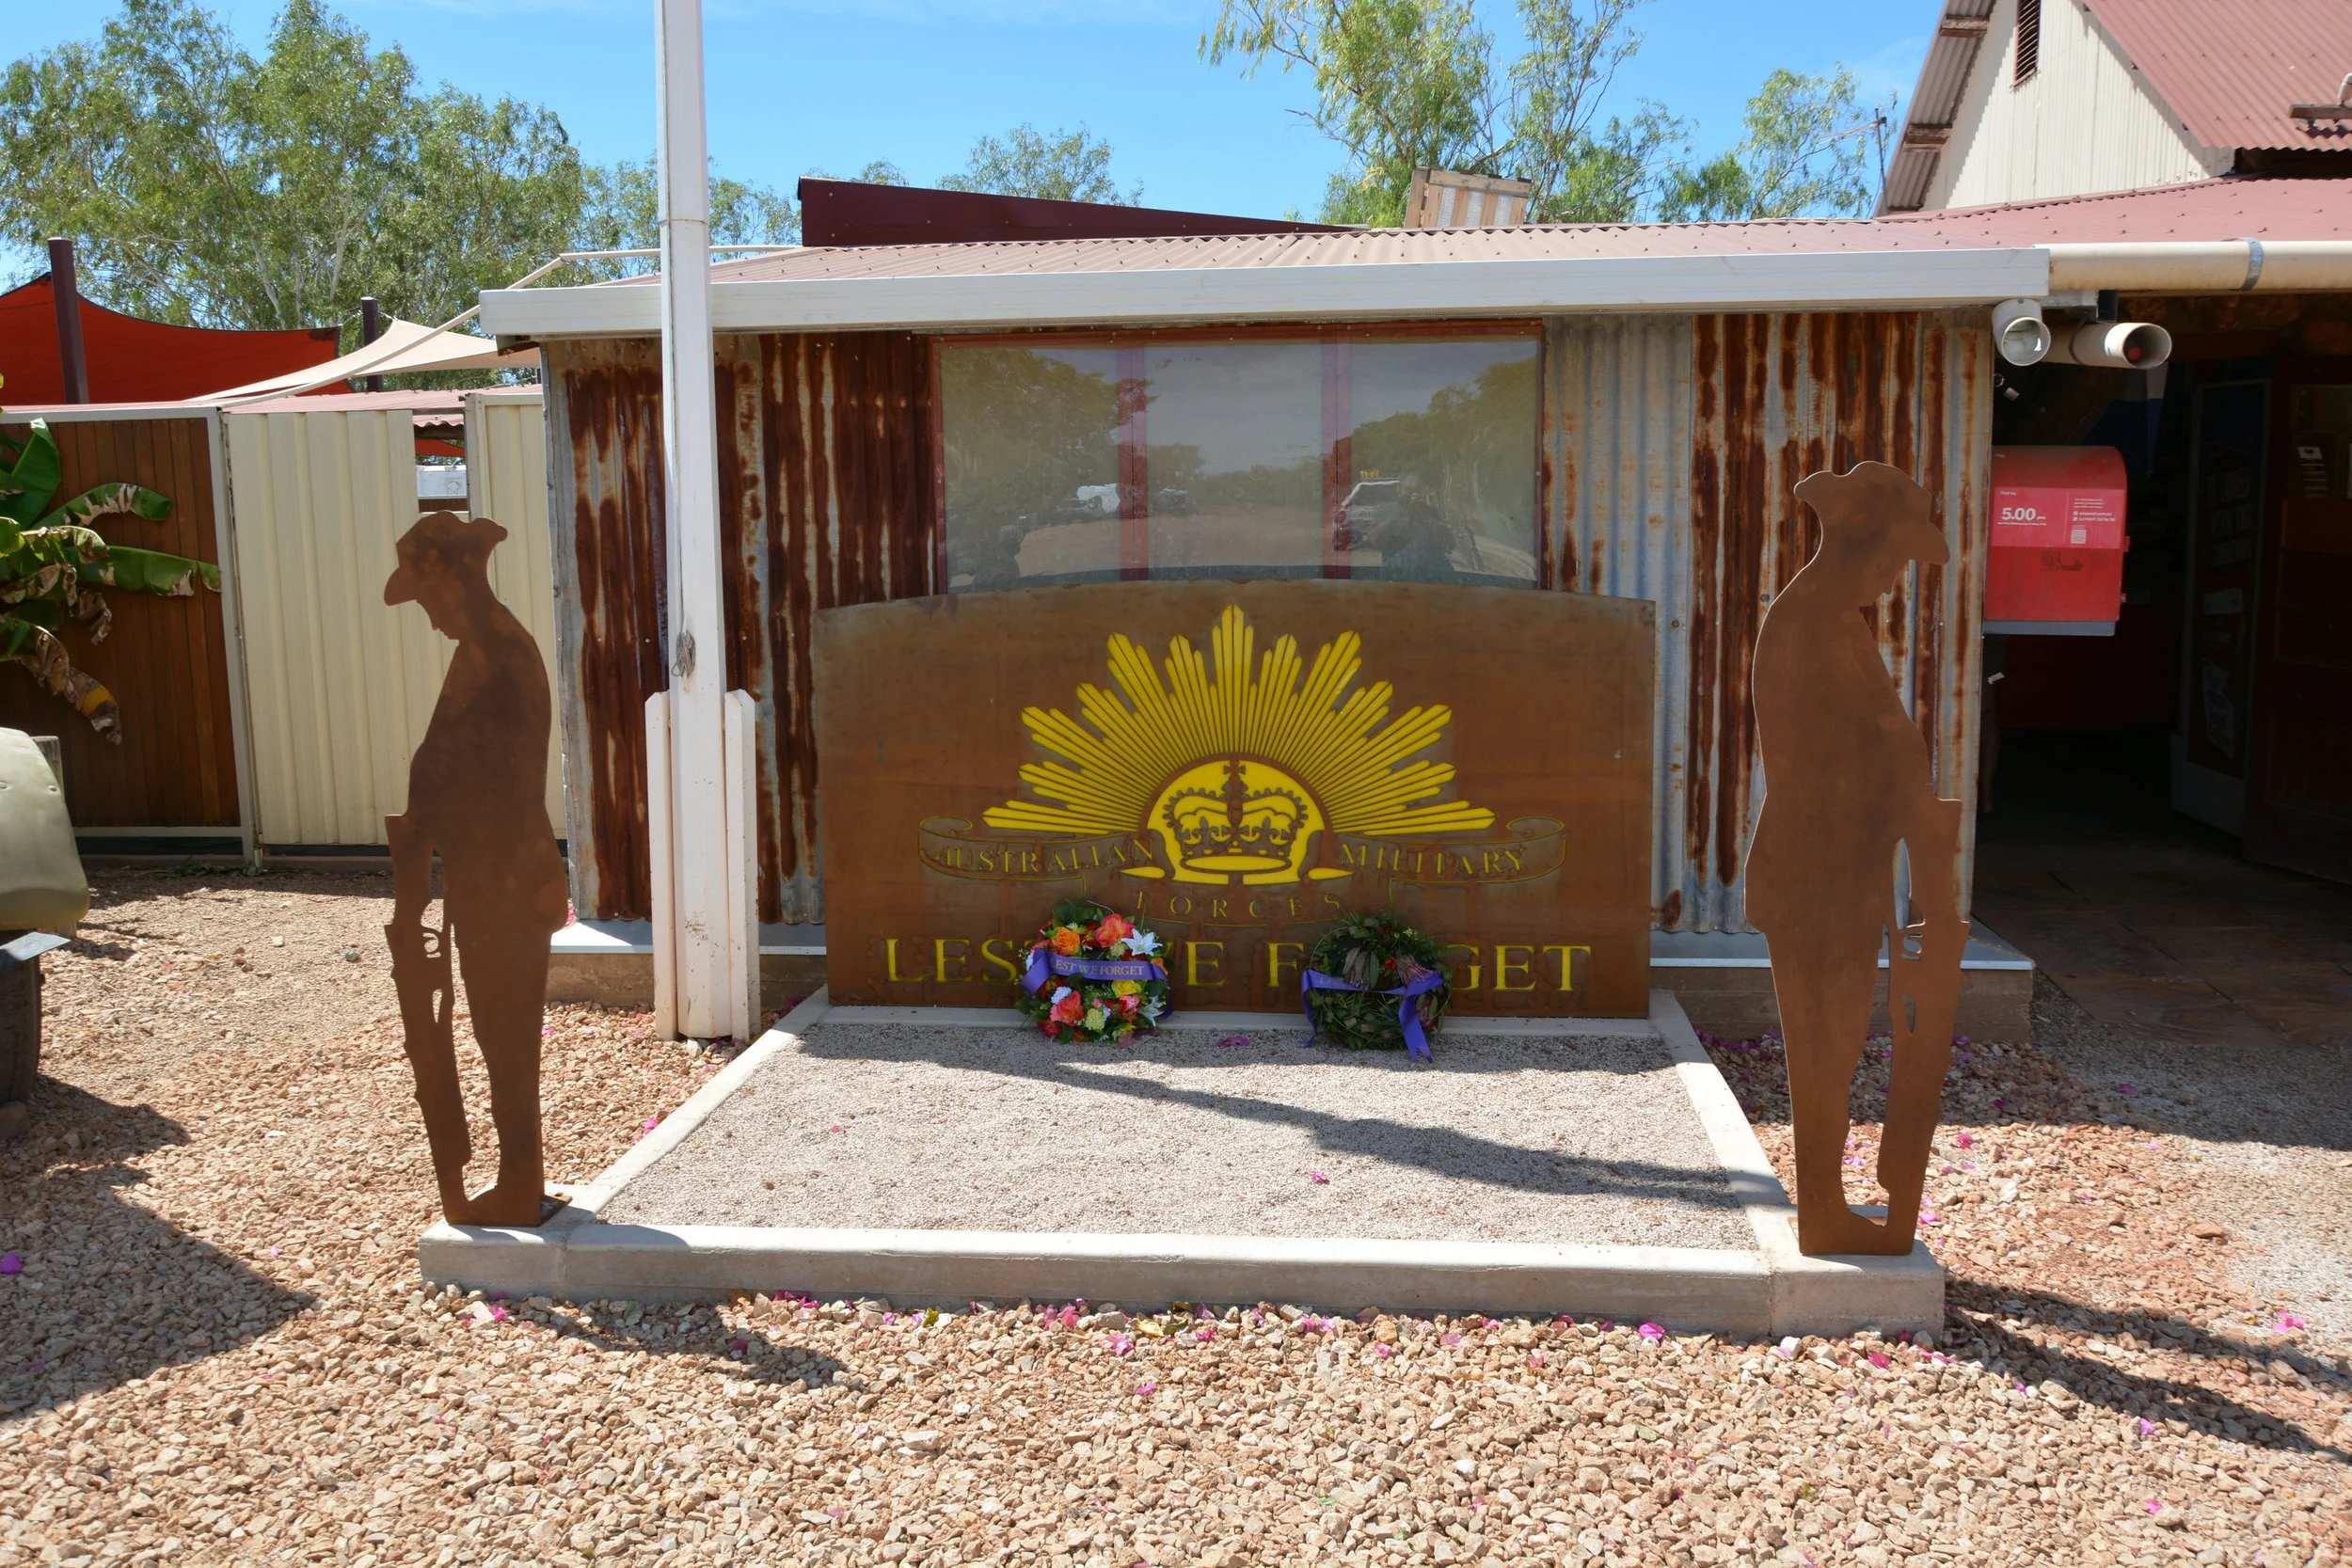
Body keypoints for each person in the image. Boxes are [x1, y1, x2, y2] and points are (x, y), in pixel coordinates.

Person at [1745, 463, 1969, 1257]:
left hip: (1842, 870)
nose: (1895, 577)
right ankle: (1826, 1210)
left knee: (1835, 1049)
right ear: (1863, 547)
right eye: (1895, 559)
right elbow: (1836, 764)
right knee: (1824, 1052)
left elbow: (1883, 756)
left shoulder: (1835, 624)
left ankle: (1831, 1204)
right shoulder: (1811, 625)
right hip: (1818, 872)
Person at [382, 512, 567, 1227]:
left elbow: (476, 776)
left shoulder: (494, 654)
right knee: (502, 1031)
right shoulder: (486, 650)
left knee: (504, 1032)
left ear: (454, 577)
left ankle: (519, 1180)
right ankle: (519, 1174)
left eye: (428, 599)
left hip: (504, 876)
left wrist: (430, 817)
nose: (428, 617)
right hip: (496, 870)